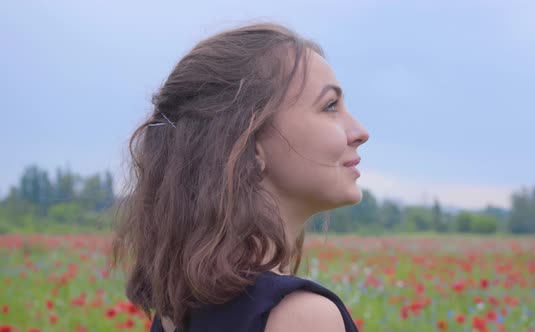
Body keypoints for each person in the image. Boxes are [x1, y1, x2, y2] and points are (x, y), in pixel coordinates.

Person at [109, 22, 369, 332]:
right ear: (250, 143)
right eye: (330, 106)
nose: (359, 132)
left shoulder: (176, 312)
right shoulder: (300, 317)